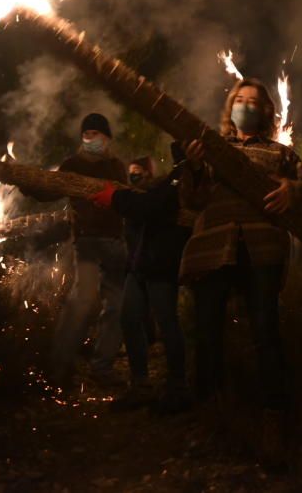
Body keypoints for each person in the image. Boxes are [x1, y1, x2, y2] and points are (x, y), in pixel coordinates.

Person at [181, 77, 302, 463]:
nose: (247, 105)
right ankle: (210, 420)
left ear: (265, 112)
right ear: (230, 108)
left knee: (265, 332)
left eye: (255, 102)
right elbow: (192, 200)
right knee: (207, 332)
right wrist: (193, 168)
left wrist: (294, 192)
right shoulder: (211, 150)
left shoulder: (281, 155)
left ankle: (272, 422)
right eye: (240, 99)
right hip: (213, 247)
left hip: (261, 249)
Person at [24, 113, 128, 388]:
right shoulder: (72, 165)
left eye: (96, 134)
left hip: (116, 244)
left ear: (107, 138)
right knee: (81, 301)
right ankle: (59, 368)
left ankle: (102, 366)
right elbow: (50, 190)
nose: (90, 138)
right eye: (87, 134)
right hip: (87, 243)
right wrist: (27, 183)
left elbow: (126, 201)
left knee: (117, 306)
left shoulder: (117, 167)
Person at [89, 145, 195, 414]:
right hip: (139, 268)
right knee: (129, 317)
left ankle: (177, 387)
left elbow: (150, 207)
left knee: (167, 323)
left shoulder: (176, 181)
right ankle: (141, 385)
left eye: (139, 173)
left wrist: (116, 198)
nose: (134, 177)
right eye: (131, 174)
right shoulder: (155, 188)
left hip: (161, 267)